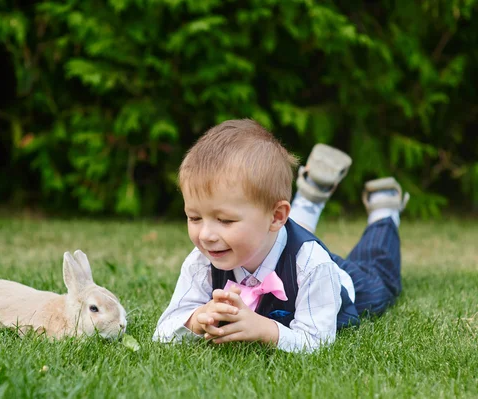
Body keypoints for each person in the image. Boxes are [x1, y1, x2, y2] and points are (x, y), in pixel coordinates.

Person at [152, 119, 410, 353]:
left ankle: (384, 212)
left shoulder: (313, 265)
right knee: (276, 236)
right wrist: (195, 320)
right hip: (275, 241)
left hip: (341, 283)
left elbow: (317, 341)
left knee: (381, 276)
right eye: (194, 218)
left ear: (277, 216)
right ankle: (309, 200)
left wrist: (265, 330)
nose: (206, 235)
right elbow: (163, 331)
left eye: (225, 220)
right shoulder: (202, 262)